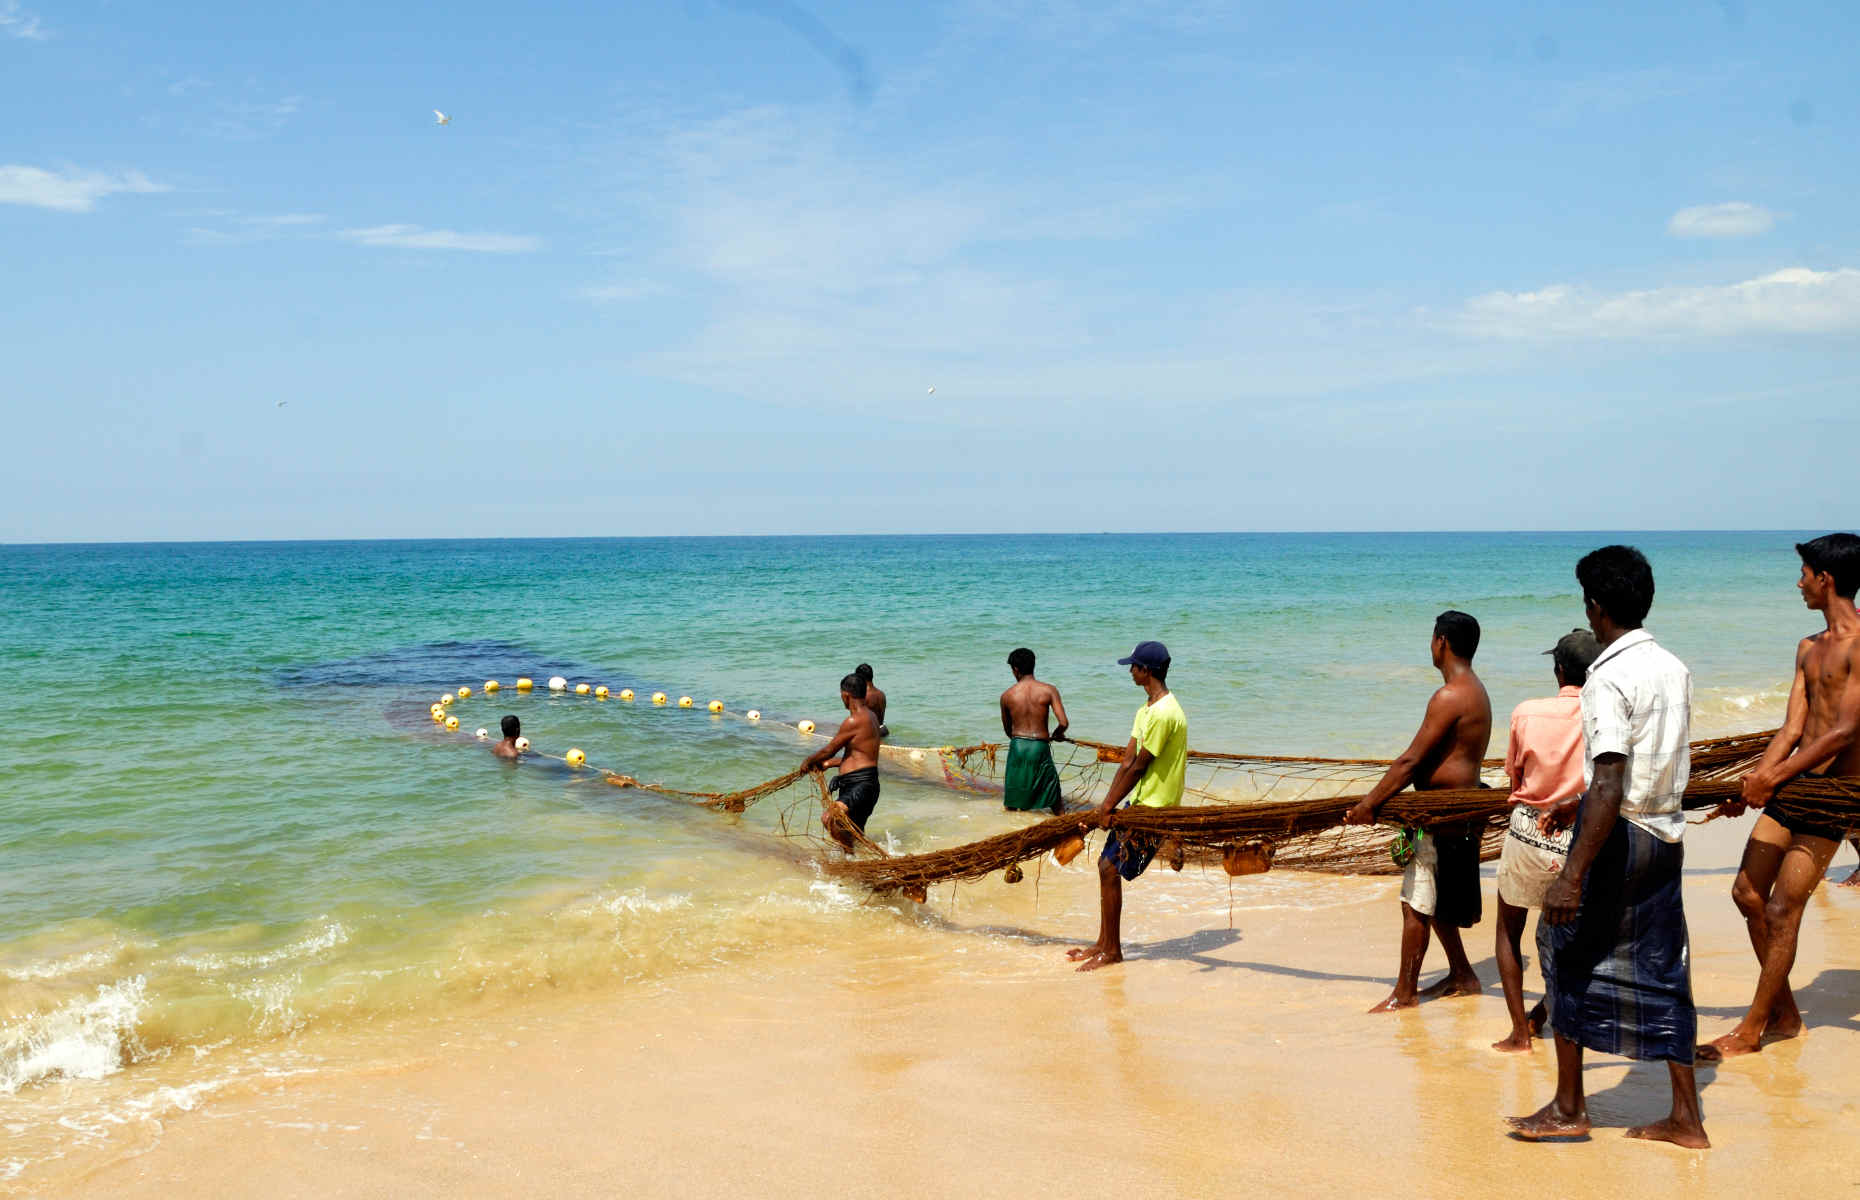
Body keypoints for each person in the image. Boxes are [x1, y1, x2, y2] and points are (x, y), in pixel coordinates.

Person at [1511, 545, 1707, 1149]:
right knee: (1664, 969)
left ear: (1595, 608)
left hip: (1621, 836)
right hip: (1665, 837)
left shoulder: (1606, 677)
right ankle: (1686, 1118)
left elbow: (1610, 780)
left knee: (1559, 948)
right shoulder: (1674, 666)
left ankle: (1570, 1107)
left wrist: (1571, 875)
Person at [1698, 533, 1860, 1061]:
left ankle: (1753, 1028)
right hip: (1793, 787)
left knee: (1783, 909)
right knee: (1747, 893)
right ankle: (1785, 1014)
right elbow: (1793, 726)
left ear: (1826, 579)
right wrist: (1753, 786)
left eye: (1804, 574)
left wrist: (1774, 779)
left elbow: (1845, 732)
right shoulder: (1807, 647)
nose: (1799, 583)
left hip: (1835, 794)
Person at [1343, 611, 1492, 1012]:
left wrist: (1368, 805)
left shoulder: (1450, 695)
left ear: (1441, 642)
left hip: (1440, 816)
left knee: (1415, 903)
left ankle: (1404, 993)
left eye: (1432, 639)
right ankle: (1463, 974)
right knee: (1436, 899)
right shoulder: (1475, 690)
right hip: (1454, 814)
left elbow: (1409, 762)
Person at [1491, 628, 1598, 1052]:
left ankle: (1521, 1032)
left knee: (1508, 931)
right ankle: (1547, 1013)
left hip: (1528, 831)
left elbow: (1514, 776)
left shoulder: (1526, 712)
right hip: (1581, 838)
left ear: (1558, 670)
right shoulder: (1603, 716)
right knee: (1575, 938)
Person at [1066, 641, 1187, 973]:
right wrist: (1106, 805)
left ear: (1146, 671)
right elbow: (1127, 759)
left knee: (1109, 869)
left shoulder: (1165, 713)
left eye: (1133, 667)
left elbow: (1139, 767)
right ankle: (1104, 944)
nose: (1130, 671)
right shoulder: (1146, 709)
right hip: (1141, 801)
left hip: (1156, 807)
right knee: (1106, 868)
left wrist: (1106, 806)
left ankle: (1113, 951)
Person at [803, 672, 883, 850]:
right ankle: (860, 867)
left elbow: (829, 750)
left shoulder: (853, 721)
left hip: (860, 786)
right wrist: (830, 764)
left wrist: (808, 761)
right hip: (866, 784)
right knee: (854, 832)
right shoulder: (871, 717)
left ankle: (850, 857)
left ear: (845, 695)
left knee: (829, 818)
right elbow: (860, 755)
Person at [1000, 647, 1069, 814]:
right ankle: (1066, 828)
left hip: (1018, 747)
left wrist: (1019, 740)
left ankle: (1011, 831)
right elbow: (1064, 722)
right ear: (1033, 665)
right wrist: (1057, 734)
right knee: (1055, 800)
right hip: (1040, 747)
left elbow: (1008, 730)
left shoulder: (1007, 696)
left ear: (1015, 669)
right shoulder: (1049, 690)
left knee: (1013, 799)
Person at [854, 663, 888, 738]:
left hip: (870, 733)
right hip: (882, 730)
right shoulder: (881, 694)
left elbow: (858, 720)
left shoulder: (863, 695)